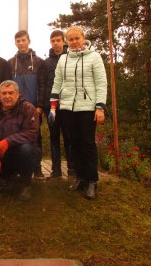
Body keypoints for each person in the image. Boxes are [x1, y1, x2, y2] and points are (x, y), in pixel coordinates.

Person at [50, 26, 107, 199]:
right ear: (67, 41)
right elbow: (57, 83)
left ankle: (92, 181)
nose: (74, 42)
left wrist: (100, 107)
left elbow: (101, 83)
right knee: (73, 143)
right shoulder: (63, 59)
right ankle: (81, 178)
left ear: (83, 38)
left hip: (88, 108)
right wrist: (53, 106)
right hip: (67, 108)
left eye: (77, 38)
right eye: (71, 39)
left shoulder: (95, 57)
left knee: (87, 144)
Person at [0, 80, 39, 201]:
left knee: (27, 149)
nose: (7, 96)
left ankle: (26, 184)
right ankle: (8, 178)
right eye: (4, 93)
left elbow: (32, 132)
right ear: (0, 95)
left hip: (21, 152)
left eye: (10, 93)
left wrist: (8, 141)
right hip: (2, 154)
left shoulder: (28, 108)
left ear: (17, 94)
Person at [8, 30, 45, 179]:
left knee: (36, 137)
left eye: (23, 40)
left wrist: (40, 105)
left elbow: (42, 85)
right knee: (15, 136)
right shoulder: (10, 63)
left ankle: (37, 167)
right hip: (16, 109)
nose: (21, 43)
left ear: (29, 41)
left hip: (34, 107)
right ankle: (17, 168)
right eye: (18, 41)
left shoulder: (39, 62)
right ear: (15, 43)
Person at [43, 30, 74, 179]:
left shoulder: (71, 57)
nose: (55, 43)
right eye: (53, 41)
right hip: (51, 107)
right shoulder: (46, 63)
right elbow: (43, 84)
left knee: (69, 137)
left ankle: (72, 170)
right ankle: (56, 171)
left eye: (58, 40)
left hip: (68, 105)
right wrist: (44, 105)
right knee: (54, 138)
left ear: (64, 41)